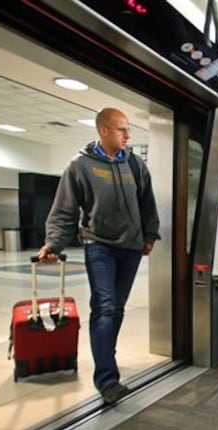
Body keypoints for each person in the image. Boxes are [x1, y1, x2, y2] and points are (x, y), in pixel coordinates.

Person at [37, 107, 160, 405]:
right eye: (121, 129)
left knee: (116, 309)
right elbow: (64, 211)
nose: (127, 135)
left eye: (128, 129)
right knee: (104, 308)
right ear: (103, 131)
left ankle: (106, 353)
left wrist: (149, 235)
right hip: (99, 245)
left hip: (130, 247)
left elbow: (147, 203)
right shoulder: (80, 166)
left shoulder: (135, 164)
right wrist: (53, 244)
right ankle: (107, 380)